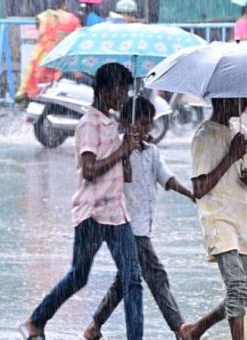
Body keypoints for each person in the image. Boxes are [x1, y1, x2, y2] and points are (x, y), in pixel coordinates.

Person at [18, 63, 144, 340]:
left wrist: (128, 148)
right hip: (93, 211)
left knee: (132, 278)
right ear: (107, 89)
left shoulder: (112, 123)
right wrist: (122, 149)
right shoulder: (89, 123)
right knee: (79, 275)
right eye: (122, 90)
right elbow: (89, 170)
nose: (124, 97)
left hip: (117, 211)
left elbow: (124, 173)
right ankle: (36, 320)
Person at [80, 97, 196, 340]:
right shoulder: (117, 150)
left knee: (124, 281)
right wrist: (126, 151)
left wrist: (190, 194)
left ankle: (93, 328)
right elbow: (123, 179)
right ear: (127, 123)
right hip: (126, 225)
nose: (146, 130)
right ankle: (180, 328)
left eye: (149, 125)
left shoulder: (152, 152)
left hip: (143, 226)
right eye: (141, 124)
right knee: (156, 274)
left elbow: (166, 178)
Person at [183, 98, 247, 340]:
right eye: (241, 99)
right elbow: (199, 189)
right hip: (218, 219)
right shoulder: (204, 136)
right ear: (224, 99)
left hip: (241, 220)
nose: (246, 104)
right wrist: (230, 156)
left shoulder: (241, 132)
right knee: (237, 288)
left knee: (245, 295)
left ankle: (195, 330)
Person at [15, 0, 81, 102]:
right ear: (65, 4)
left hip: (45, 56)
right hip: (64, 57)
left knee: (38, 85)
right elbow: (78, 40)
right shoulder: (73, 20)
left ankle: (31, 99)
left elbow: (41, 33)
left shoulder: (45, 17)